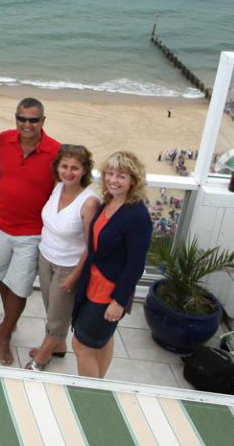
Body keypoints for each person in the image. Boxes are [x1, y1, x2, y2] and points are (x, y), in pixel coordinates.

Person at [0, 98, 61, 365]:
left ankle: (5, 335)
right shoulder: (4, 140)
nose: (27, 124)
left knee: (19, 287)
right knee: (3, 278)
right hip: (0, 223)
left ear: (43, 121)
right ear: (15, 119)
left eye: (33, 119)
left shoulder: (55, 152)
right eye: (22, 119)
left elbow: (66, 189)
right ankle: (10, 322)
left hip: (32, 232)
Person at [71, 151, 152, 378]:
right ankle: (100, 382)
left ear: (133, 181)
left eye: (122, 176)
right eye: (110, 174)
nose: (114, 180)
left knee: (80, 345)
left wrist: (119, 301)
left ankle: (90, 393)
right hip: (93, 282)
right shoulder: (109, 203)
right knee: (102, 339)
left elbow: (135, 265)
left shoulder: (137, 216)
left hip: (108, 291)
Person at [26, 145, 100, 371]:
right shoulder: (58, 188)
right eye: (64, 166)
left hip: (67, 267)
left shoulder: (89, 202)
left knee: (58, 317)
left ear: (84, 170)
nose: (68, 172)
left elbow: (91, 246)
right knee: (51, 308)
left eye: (75, 168)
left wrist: (75, 275)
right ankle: (57, 346)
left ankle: (41, 358)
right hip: (46, 257)